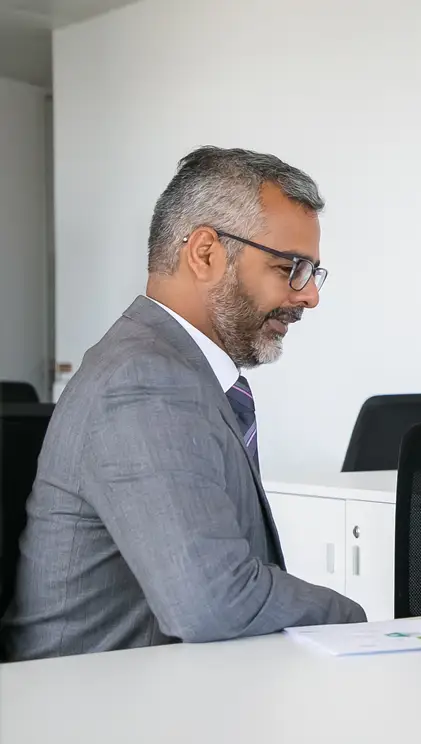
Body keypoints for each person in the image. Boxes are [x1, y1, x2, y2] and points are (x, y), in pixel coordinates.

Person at [1, 146, 366, 661]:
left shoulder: (172, 370)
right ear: (205, 253)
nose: (309, 296)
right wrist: (352, 622)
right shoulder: (145, 380)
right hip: (94, 716)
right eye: (291, 268)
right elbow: (214, 601)